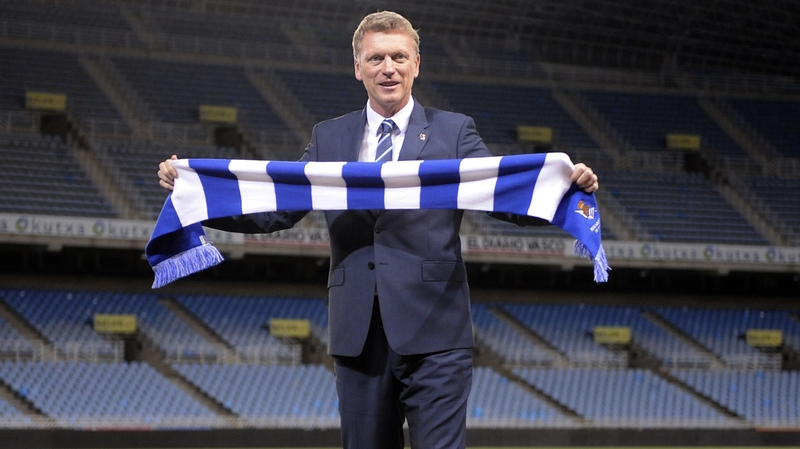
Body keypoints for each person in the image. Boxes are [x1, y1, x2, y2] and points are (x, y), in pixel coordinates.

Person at [158, 11, 598, 449]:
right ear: (358, 68)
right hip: (358, 332)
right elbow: (278, 208)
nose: (388, 68)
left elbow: (501, 194)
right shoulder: (329, 137)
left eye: (399, 57)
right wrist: (195, 193)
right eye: (376, 59)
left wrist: (565, 186)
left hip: (436, 331)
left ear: (416, 64)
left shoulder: (454, 131)